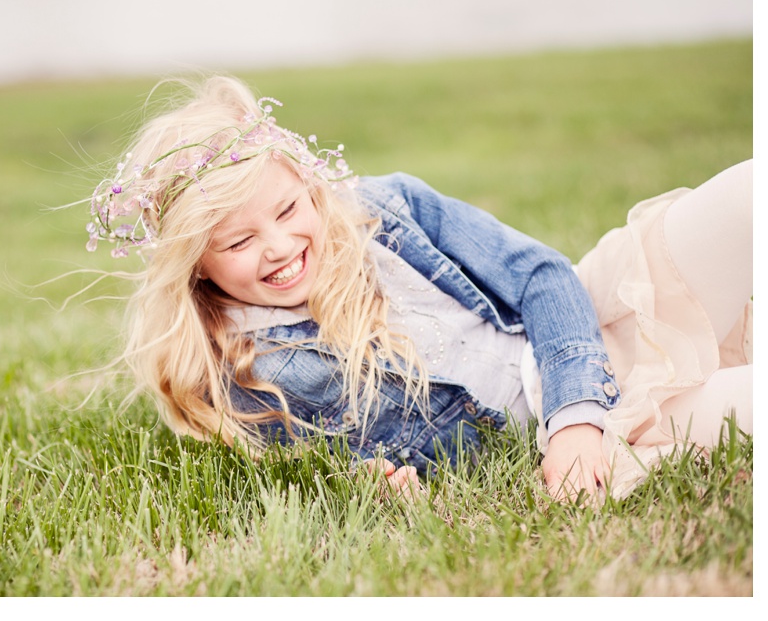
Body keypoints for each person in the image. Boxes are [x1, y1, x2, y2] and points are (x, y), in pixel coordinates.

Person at [83, 75, 753, 502]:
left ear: (309, 185)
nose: (282, 247)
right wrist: (377, 486)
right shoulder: (248, 373)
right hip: (594, 430)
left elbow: (542, 277)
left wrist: (574, 413)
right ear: (195, 264)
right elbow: (340, 470)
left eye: (289, 210)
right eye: (238, 241)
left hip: (582, 335)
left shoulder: (386, 206)